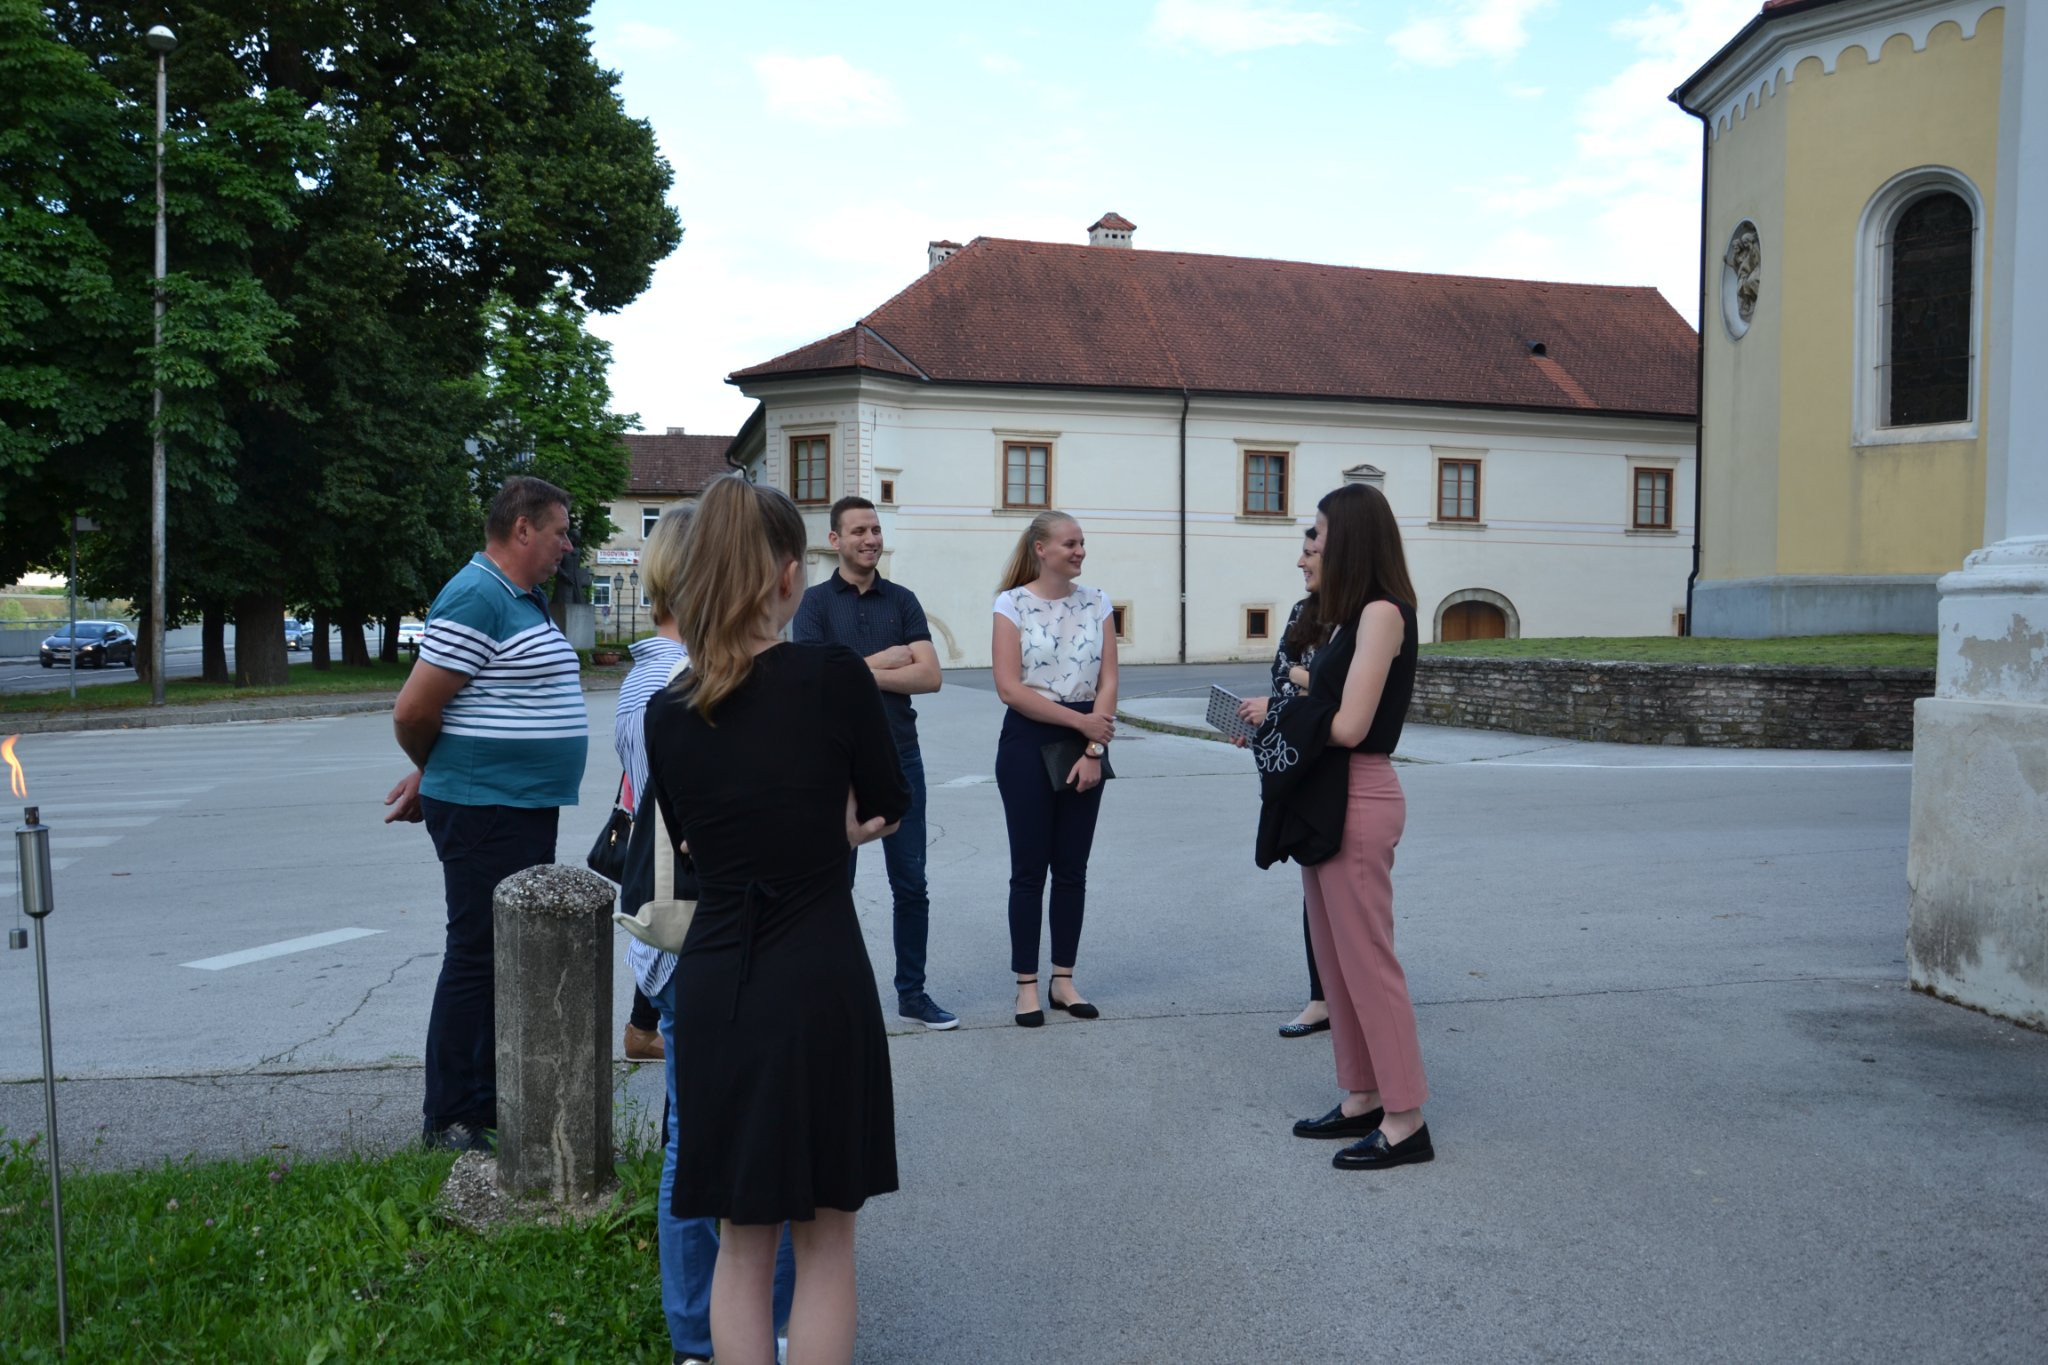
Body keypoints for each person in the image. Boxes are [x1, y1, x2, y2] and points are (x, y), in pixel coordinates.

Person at [643, 473, 908, 1365]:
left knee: (741, 1238)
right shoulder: (832, 676)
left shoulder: (665, 711)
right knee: (825, 1235)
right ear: (790, 574)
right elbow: (888, 802)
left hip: (718, 980)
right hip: (818, 967)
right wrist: (834, 822)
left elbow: (689, 844)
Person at [616, 504, 794, 1365]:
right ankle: (716, 1331)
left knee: (724, 1127)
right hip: (703, 932)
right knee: (711, 1133)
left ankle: (731, 1326)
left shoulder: (674, 674)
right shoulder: (670, 682)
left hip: (698, 929)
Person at [382, 475, 588, 1153]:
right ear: (522, 528)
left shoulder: (521, 599)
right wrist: (437, 768)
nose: (567, 543)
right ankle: (450, 1116)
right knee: (477, 953)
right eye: (559, 530)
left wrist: (433, 767)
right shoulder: (478, 594)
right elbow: (414, 709)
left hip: (512, 802)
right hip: (486, 806)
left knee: (504, 953)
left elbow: (474, 703)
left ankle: (486, 1097)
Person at [1279, 483, 1434, 1171]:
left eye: (1315, 532)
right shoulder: (1344, 616)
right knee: (1337, 965)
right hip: (1327, 790)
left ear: (1348, 536)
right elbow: (1323, 700)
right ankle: (1362, 1094)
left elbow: (1349, 724)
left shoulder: (1382, 612)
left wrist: (1295, 704)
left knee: (1369, 964)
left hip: (1361, 790)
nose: (1308, 545)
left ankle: (1405, 1119)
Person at [792, 495, 957, 1031]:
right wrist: (887, 661)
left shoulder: (902, 600)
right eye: (859, 530)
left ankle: (913, 993)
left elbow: (930, 678)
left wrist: (853, 670)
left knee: (911, 884)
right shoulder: (814, 604)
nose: (870, 539)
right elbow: (814, 683)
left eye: (876, 529)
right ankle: (832, 997)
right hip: (834, 765)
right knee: (833, 885)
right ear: (835, 540)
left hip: (898, 757)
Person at [990, 510, 1118, 1028]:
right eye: (1070, 543)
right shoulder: (1011, 604)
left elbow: (1109, 678)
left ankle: (1063, 979)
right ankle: (1026, 984)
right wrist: (1081, 725)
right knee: (1029, 870)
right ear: (1041, 549)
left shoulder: (1098, 602)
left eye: (1083, 543)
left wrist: (1092, 748)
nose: (1080, 551)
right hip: (1028, 741)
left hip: (1086, 740)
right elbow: (1009, 687)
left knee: (1072, 869)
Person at [1236, 527, 1333, 1039]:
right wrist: (1263, 715)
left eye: (1310, 553)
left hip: (1336, 766)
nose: (1300, 562)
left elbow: (1343, 694)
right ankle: (1322, 998)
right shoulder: (1302, 613)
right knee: (1313, 887)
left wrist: (1295, 687)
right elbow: (1284, 680)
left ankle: (1345, 998)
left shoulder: (1363, 618)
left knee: (1342, 891)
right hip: (1296, 765)